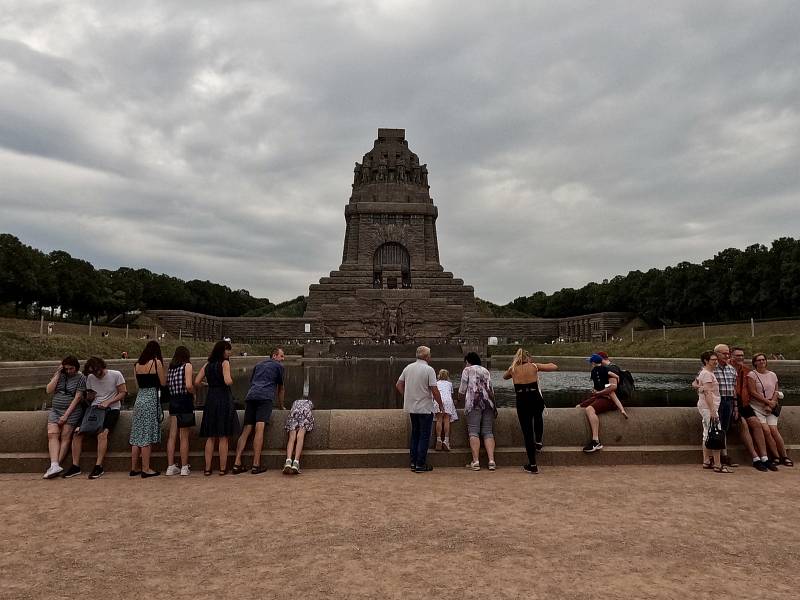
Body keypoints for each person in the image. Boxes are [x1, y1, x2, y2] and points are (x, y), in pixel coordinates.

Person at [63, 357, 127, 479]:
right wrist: (89, 397)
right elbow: (90, 397)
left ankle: (99, 466)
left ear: (102, 367)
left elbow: (123, 392)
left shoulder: (116, 375)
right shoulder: (91, 377)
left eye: (97, 372)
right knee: (77, 433)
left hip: (111, 409)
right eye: (92, 372)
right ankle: (75, 466)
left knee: (102, 434)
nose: (96, 375)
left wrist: (109, 402)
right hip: (94, 409)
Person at [503, 348, 558, 474]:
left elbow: (504, 377)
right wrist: (535, 366)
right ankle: (538, 441)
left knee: (527, 432)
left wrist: (514, 366)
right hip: (535, 397)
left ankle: (533, 464)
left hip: (522, 400)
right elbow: (554, 366)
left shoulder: (512, 369)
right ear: (528, 358)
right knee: (538, 416)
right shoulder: (534, 366)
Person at [233, 347, 286, 474]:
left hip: (251, 396)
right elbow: (281, 389)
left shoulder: (258, 364)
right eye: (282, 356)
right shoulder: (279, 367)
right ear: (274, 356)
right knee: (259, 428)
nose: (283, 359)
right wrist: (281, 406)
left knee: (246, 430)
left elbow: (252, 382)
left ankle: (237, 463)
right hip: (265, 397)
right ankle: (256, 464)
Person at [196, 340, 241, 475]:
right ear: (222, 351)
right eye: (227, 350)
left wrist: (208, 384)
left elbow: (196, 381)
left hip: (211, 399)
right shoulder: (225, 363)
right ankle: (222, 468)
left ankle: (208, 468)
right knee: (223, 436)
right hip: (223, 398)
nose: (229, 352)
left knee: (211, 437)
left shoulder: (207, 364)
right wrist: (232, 380)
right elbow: (228, 381)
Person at [396, 345, 443, 473]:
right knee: (424, 436)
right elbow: (434, 390)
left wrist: (407, 395)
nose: (431, 357)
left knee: (415, 434)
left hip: (411, 407)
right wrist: (441, 404)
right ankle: (420, 464)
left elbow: (398, 385)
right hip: (425, 407)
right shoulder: (429, 370)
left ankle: (413, 462)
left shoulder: (408, 368)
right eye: (430, 355)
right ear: (427, 357)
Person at [730, 348, 774, 471]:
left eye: (742, 355)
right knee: (743, 425)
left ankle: (764, 457)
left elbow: (754, 390)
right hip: (732, 404)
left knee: (756, 424)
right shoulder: (725, 368)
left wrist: (769, 401)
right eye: (737, 355)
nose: (740, 358)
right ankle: (755, 458)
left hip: (744, 404)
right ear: (731, 356)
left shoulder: (747, 371)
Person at [43, 356, 86, 479]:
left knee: (65, 436)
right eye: (66, 369)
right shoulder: (61, 376)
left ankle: (57, 464)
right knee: (52, 434)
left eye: (71, 368)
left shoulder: (81, 378)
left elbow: (78, 397)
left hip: (71, 411)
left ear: (76, 367)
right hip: (55, 410)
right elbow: (48, 390)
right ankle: (54, 464)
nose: (68, 371)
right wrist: (57, 373)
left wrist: (66, 415)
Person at [129, 341, 167, 478]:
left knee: (136, 435)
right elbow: (163, 382)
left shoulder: (137, 365)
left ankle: (134, 468)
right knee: (147, 435)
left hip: (139, 399)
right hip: (151, 399)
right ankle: (146, 469)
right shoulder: (156, 363)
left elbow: (137, 384)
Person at [747, 353, 793, 467]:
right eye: (759, 360)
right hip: (757, 407)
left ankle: (784, 456)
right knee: (766, 431)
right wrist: (767, 402)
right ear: (755, 362)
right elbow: (752, 392)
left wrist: (771, 403)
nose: (762, 362)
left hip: (771, 407)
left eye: (763, 360)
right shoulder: (752, 375)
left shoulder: (773, 374)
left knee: (774, 430)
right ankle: (776, 456)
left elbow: (776, 391)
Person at [578, 354, 624, 453]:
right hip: (602, 396)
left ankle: (596, 441)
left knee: (589, 409)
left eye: (591, 362)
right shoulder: (604, 369)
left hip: (608, 398)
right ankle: (622, 409)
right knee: (579, 406)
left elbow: (612, 388)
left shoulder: (609, 369)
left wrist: (599, 392)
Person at [458, 352, 497, 471]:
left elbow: (462, 389)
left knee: (473, 432)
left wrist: (458, 399)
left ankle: (476, 461)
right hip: (488, 403)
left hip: (474, 403)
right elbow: (491, 389)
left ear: (468, 361)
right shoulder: (486, 371)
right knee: (488, 432)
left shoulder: (467, 370)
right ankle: (491, 461)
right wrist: (494, 405)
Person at [695, 351, 731, 473]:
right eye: (713, 359)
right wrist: (713, 410)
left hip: (705, 406)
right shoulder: (707, 374)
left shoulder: (705, 372)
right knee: (716, 433)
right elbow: (708, 393)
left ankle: (706, 461)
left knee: (707, 433)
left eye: (716, 359)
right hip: (708, 407)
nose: (716, 361)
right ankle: (717, 463)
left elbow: (698, 385)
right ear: (706, 361)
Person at [165, 346, 195, 476]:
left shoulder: (171, 368)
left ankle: (170, 466)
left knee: (172, 436)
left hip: (173, 402)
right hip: (184, 402)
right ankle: (184, 467)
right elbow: (188, 385)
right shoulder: (187, 366)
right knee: (184, 436)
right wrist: (194, 392)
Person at [712, 344, 738, 467]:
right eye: (724, 353)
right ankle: (716, 456)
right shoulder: (711, 369)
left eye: (728, 353)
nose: (727, 355)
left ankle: (724, 455)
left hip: (728, 401)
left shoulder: (732, 369)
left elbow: (734, 389)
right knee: (716, 428)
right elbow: (697, 383)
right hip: (717, 401)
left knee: (725, 428)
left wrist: (735, 405)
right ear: (716, 354)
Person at [283, 397, 314, 474]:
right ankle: (296, 462)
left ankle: (288, 461)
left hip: (294, 412)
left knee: (291, 438)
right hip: (305, 413)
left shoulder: (295, 402)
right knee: (300, 436)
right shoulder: (309, 402)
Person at [433, 369, 458, 452]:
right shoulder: (449, 384)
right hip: (447, 401)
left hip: (438, 400)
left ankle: (438, 439)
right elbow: (450, 394)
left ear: (438, 375)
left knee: (439, 420)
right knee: (447, 420)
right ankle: (446, 440)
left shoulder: (436, 383)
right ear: (447, 376)